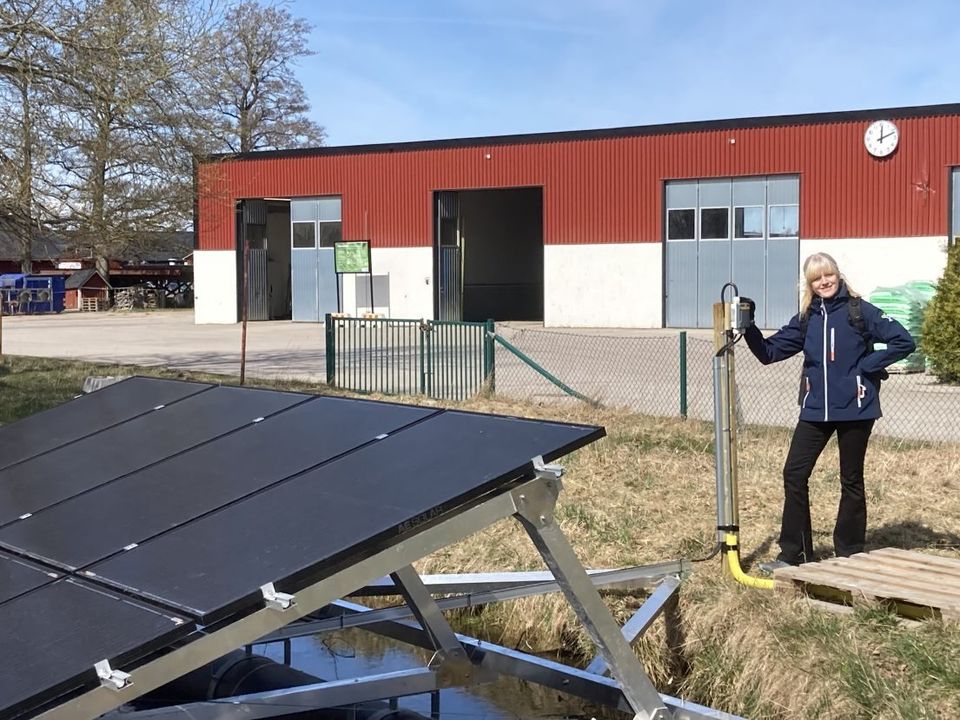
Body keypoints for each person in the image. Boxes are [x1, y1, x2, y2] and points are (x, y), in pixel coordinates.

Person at [742, 252, 916, 571]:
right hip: (815, 411)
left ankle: (849, 552)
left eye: (828, 275)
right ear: (810, 284)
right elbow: (769, 353)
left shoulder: (859, 311)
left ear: (838, 274)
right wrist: (748, 326)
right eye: (816, 278)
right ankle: (794, 552)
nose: (824, 281)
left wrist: (867, 366)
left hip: (856, 409)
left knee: (851, 479)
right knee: (794, 473)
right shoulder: (807, 318)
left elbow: (903, 341)